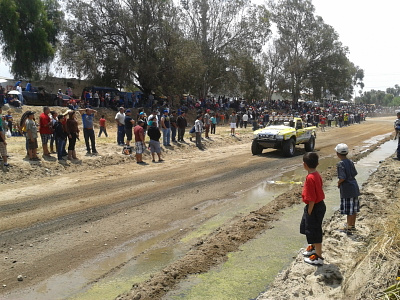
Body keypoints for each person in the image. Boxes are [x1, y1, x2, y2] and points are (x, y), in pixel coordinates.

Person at [300, 152, 326, 265]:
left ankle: (319, 257)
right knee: (307, 227)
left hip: (314, 206)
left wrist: (310, 212)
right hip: (318, 205)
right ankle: (314, 248)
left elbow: (312, 198)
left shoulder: (310, 178)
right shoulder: (316, 174)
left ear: (304, 164)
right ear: (318, 164)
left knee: (315, 231)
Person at [335, 143, 360, 234]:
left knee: (349, 210)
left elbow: (342, 177)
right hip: (354, 186)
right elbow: (354, 173)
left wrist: (338, 183)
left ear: (338, 153)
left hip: (347, 189)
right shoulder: (350, 162)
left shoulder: (340, 164)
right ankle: (352, 225)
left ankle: (349, 227)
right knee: (354, 209)